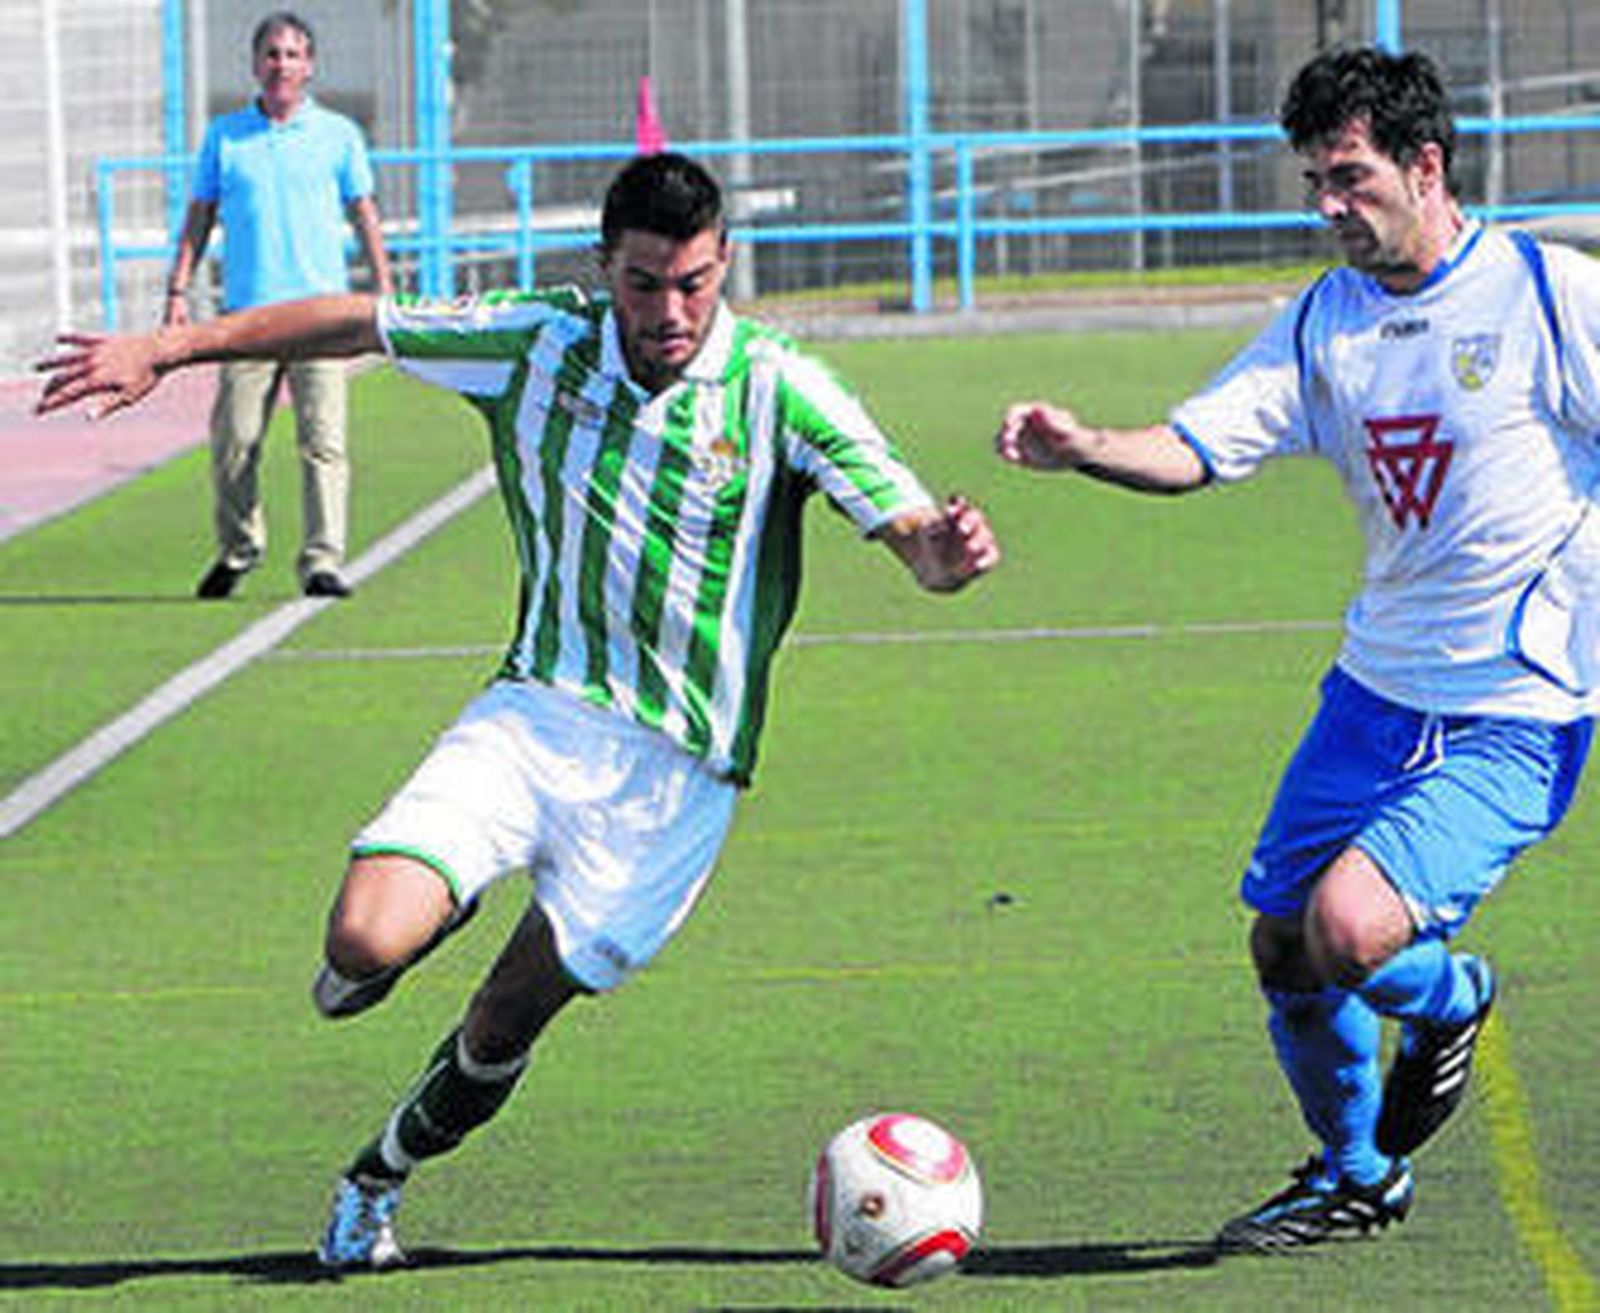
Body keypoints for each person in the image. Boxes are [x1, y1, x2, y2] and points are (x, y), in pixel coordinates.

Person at [38, 151, 1001, 1270]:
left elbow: (918, 546)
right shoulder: (538, 340)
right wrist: (168, 343)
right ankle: (418, 924)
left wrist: (948, 551)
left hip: (673, 782)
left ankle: (375, 1176)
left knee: (502, 1019)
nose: (671, 309)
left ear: (723, 261)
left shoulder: (781, 385)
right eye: (645, 283)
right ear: (605, 269)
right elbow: (358, 319)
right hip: (533, 715)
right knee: (358, 941)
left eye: (693, 281)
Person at [996, 46, 1596, 1253]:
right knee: (1280, 940)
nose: (1328, 206)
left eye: (1350, 178)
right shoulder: (1327, 320)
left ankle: (1451, 994)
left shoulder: (1546, 291)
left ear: (1426, 167)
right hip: (1374, 692)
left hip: (1517, 705)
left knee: (1351, 930)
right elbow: (1195, 444)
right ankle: (1355, 1172)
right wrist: (1084, 445)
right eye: (1316, 181)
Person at [165, 10, 393, 600]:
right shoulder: (226, 137)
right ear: (256, 63)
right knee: (234, 440)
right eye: (272, 54)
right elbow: (199, 215)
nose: (282, 65)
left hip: (321, 315)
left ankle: (322, 560)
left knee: (324, 442)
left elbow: (363, 211)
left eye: (293, 55)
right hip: (249, 318)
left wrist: (383, 290)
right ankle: (239, 548)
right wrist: (178, 288)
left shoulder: (338, 135)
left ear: (310, 66)